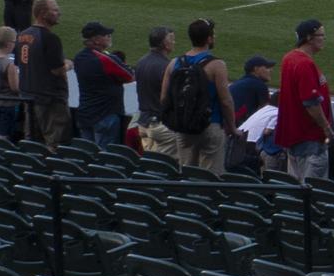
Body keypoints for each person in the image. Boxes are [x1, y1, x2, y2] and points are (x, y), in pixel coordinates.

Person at [159, 19, 236, 174]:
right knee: (212, 177)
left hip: (184, 127)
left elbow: (164, 99)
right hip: (210, 125)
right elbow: (226, 101)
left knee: (187, 174)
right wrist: (233, 127)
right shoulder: (217, 65)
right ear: (209, 39)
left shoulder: (174, 63)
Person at [275, 18, 334, 181]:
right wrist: (327, 127)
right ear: (309, 37)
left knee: (296, 188)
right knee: (313, 192)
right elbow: (311, 102)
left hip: (295, 135)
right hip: (309, 138)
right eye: (321, 35)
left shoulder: (290, 58)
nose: (324, 39)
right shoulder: (304, 64)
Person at [16, 0, 71, 150]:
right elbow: (57, 70)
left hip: (28, 96)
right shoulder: (50, 38)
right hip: (49, 99)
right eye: (54, 10)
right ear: (42, 13)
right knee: (55, 142)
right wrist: (68, 65)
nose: (58, 13)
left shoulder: (22, 35)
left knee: (31, 140)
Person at [70, 21, 132, 148]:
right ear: (96, 40)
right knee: (105, 159)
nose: (109, 37)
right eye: (106, 35)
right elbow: (129, 76)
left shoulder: (79, 57)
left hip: (85, 113)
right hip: (105, 115)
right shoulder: (104, 59)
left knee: (87, 156)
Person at [132, 26, 176, 157]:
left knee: (150, 163)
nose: (174, 42)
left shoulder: (141, 61)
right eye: (172, 39)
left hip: (143, 122)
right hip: (159, 125)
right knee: (164, 164)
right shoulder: (166, 66)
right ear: (164, 44)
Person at [227, 54, 275, 173]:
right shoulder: (259, 85)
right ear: (256, 69)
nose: (271, 70)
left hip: (227, 128)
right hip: (236, 132)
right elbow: (267, 113)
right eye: (267, 67)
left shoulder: (240, 82)